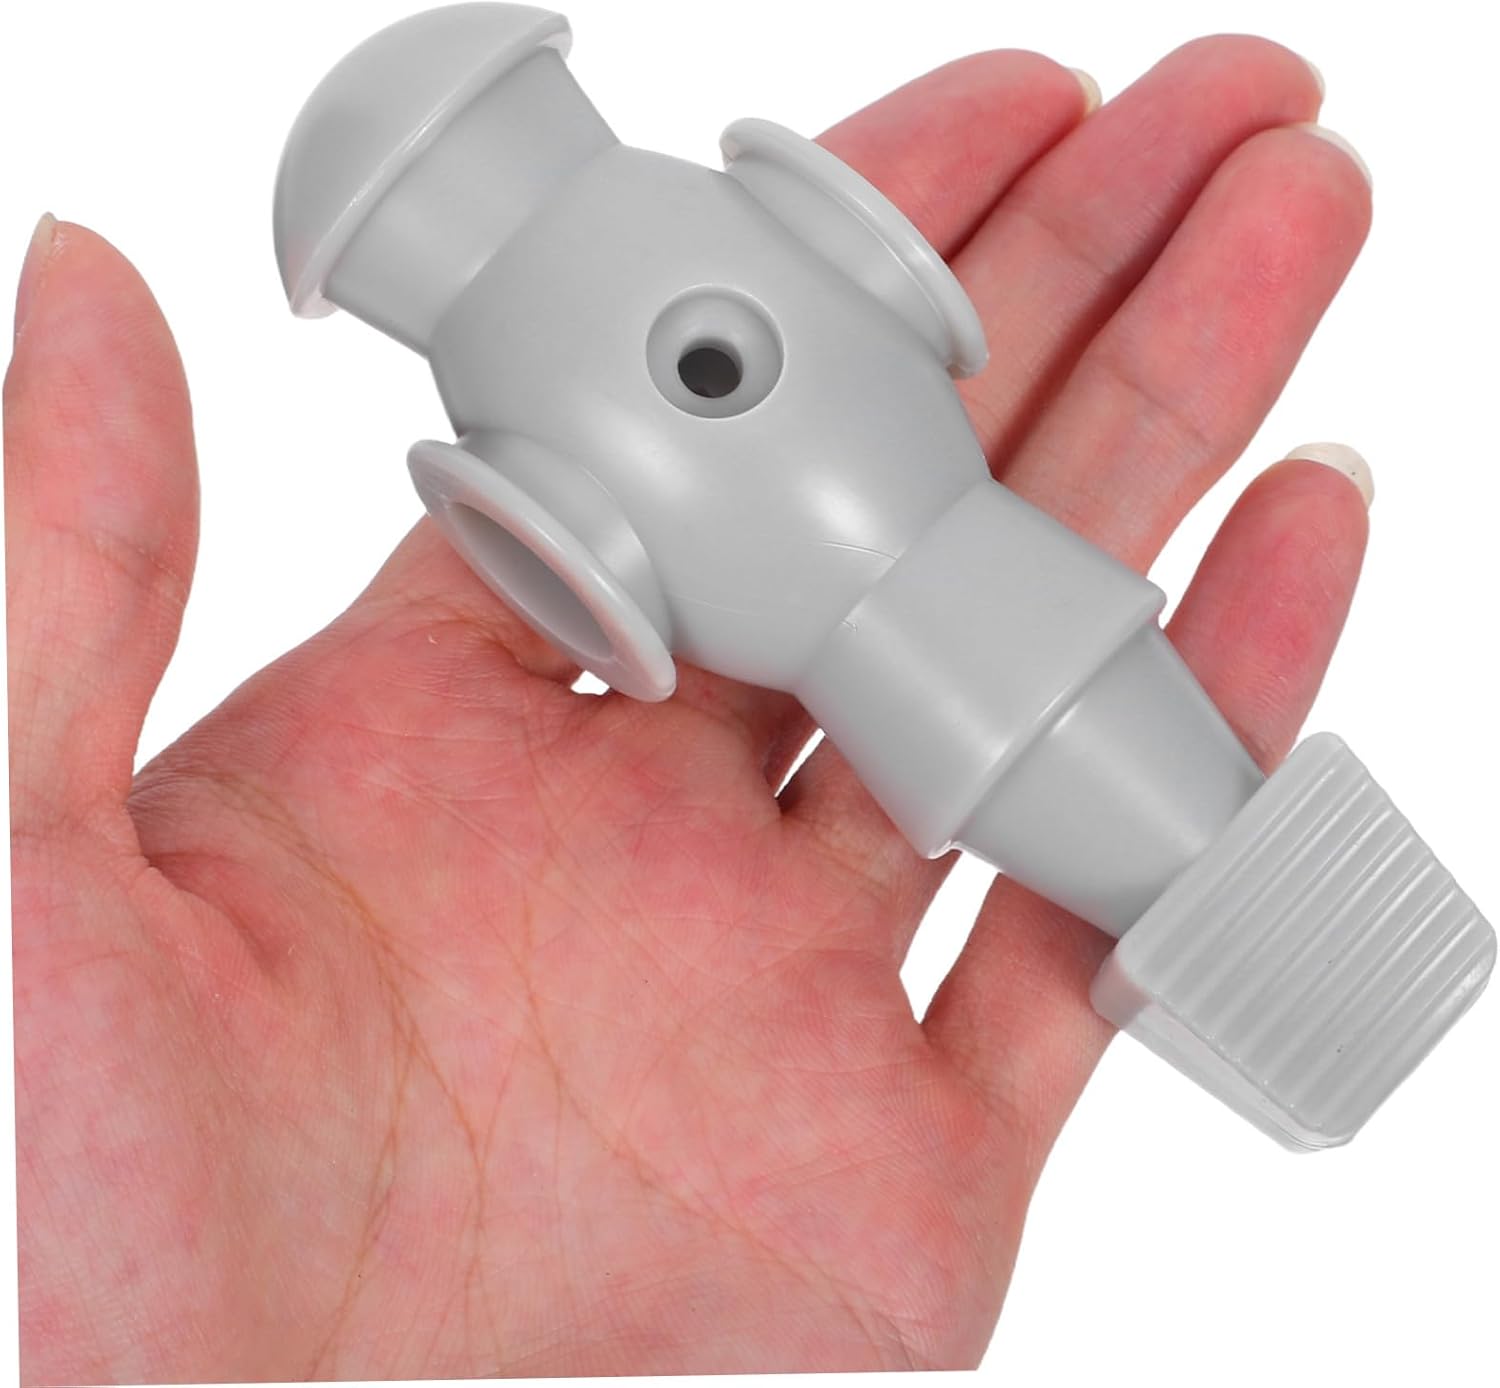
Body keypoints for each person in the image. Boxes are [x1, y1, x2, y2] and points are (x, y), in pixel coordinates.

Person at [8, 35, 1373, 1381]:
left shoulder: (505, 361)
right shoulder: (587, 283)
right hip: (913, 578)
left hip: (912, 566)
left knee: (1193, 850)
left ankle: (1267, 937)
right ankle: (1270, 943)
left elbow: (612, 557)